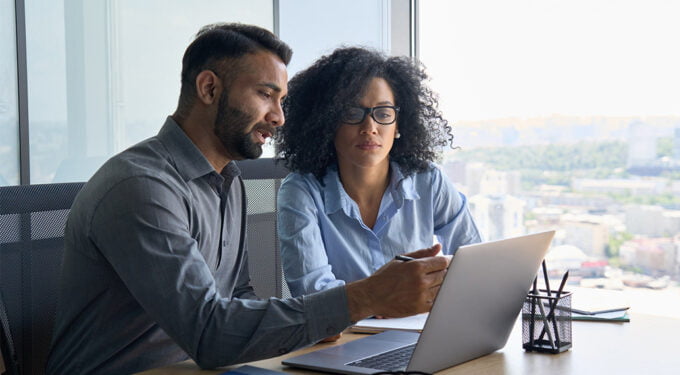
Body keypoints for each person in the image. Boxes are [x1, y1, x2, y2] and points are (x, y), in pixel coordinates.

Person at [45, 24, 449, 375]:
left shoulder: (228, 180)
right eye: (265, 94)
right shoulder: (141, 187)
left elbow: (236, 299)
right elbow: (209, 333)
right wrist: (366, 297)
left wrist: (320, 324)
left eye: (281, 100)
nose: (279, 117)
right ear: (209, 88)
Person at [275, 47, 481, 300]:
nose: (369, 127)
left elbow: (474, 262)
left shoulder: (429, 180)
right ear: (328, 123)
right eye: (352, 113)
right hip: (342, 336)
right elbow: (313, 294)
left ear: (398, 126)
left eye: (383, 114)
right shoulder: (301, 191)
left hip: (420, 328)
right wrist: (383, 300)